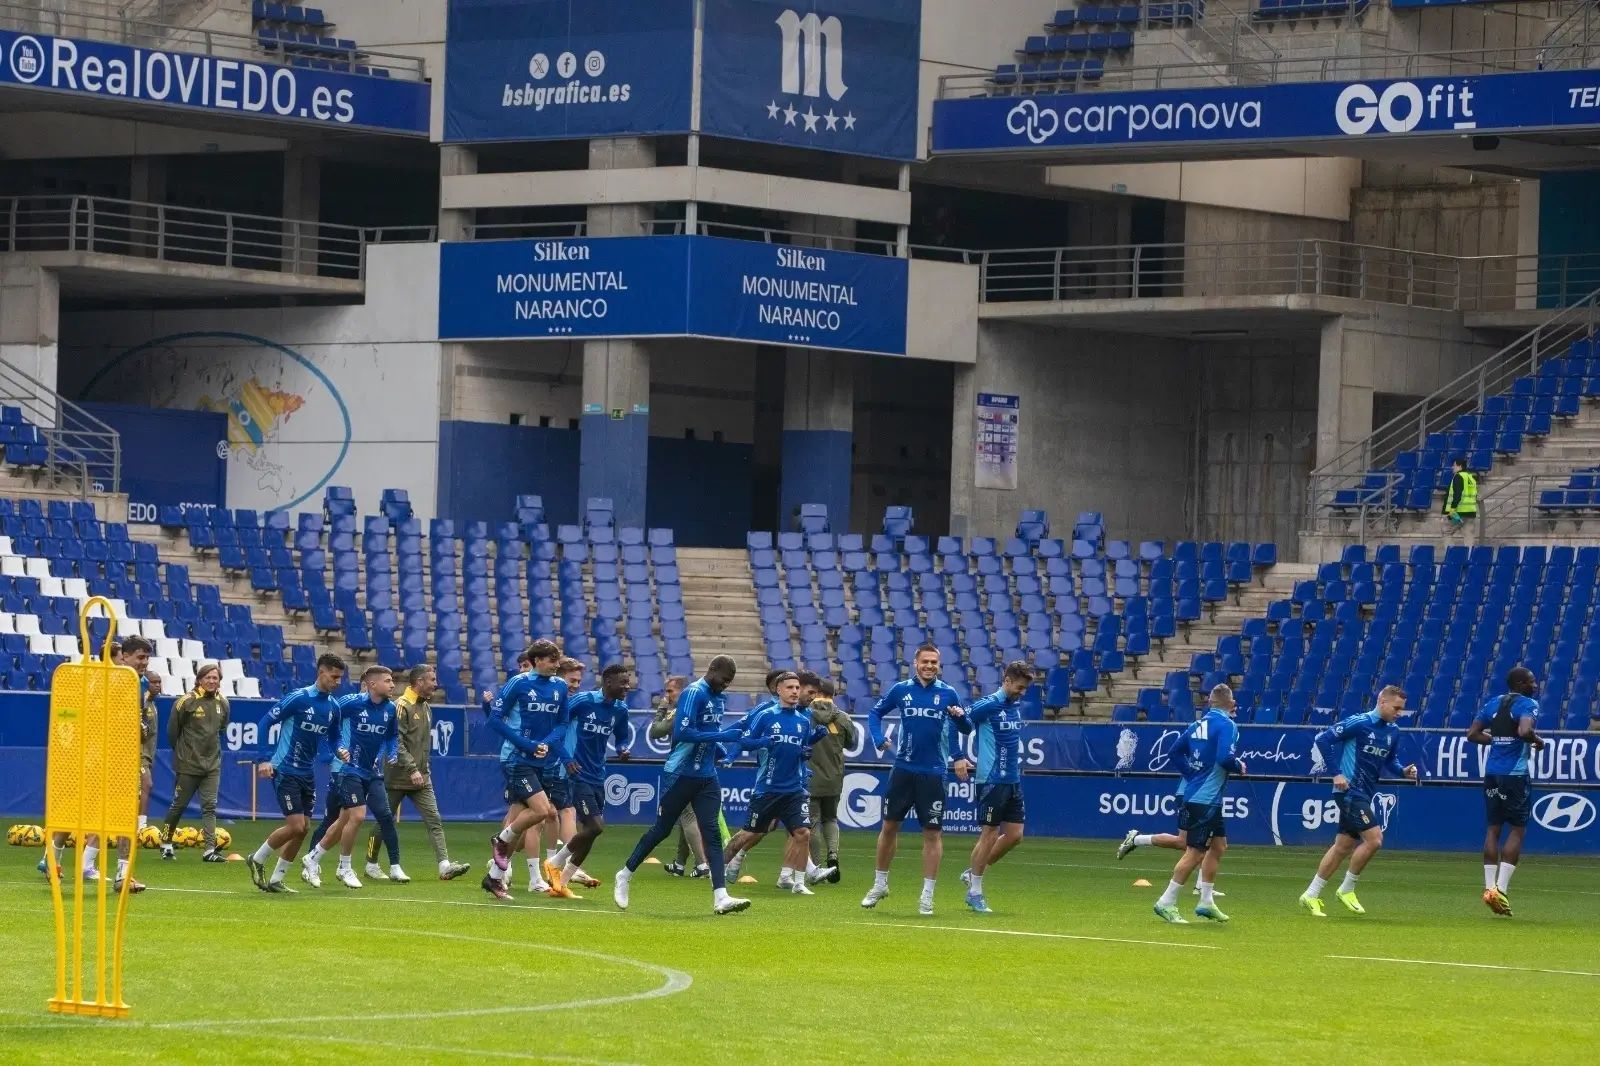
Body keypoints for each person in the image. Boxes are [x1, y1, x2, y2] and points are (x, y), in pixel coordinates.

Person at [614, 655, 751, 915]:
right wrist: (723, 735)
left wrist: (728, 752)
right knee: (661, 830)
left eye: (730, 682)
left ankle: (720, 896)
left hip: (706, 776)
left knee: (710, 831)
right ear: (712, 671)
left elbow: (710, 734)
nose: (726, 686)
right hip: (680, 773)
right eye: (724, 680)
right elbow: (683, 733)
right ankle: (625, 873)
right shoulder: (693, 693)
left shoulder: (719, 698)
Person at [861, 645, 970, 917]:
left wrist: (960, 717)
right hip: (903, 769)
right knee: (889, 827)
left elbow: (966, 728)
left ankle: (927, 895)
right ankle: (880, 884)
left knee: (932, 834)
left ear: (939, 664)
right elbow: (874, 714)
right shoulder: (901, 690)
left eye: (934, 662)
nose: (930, 666)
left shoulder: (948, 693)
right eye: (925, 661)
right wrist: (877, 738)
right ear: (915, 663)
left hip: (933, 773)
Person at [1299, 686, 1418, 917]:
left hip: (1364, 793)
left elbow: (1390, 761)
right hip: (1349, 791)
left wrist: (1403, 771)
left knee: (1342, 846)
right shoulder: (1359, 722)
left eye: (1402, 709)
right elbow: (1323, 739)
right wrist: (1336, 773)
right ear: (1382, 702)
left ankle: (1311, 894)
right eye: (1396, 708)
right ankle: (1347, 888)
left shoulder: (1393, 731)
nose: (1399, 713)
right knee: (1374, 840)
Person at [723, 672, 835, 893]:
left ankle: (799, 882)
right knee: (751, 832)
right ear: (778, 690)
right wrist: (735, 754)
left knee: (802, 833)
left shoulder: (804, 720)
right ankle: (722, 865)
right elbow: (746, 740)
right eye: (791, 688)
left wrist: (810, 746)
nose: (795, 691)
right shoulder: (766, 715)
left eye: (796, 687)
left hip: (794, 789)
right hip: (768, 787)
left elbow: (802, 750)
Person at [248, 654, 346, 893]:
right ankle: (257, 859)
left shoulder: (333, 706)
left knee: (303, 828)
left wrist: (339, 749)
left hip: (307, 772)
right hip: (285, 769)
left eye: (340, 678)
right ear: (321, 672)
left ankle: (276, 879)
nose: (337, 682)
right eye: (334, 676)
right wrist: (263, 759)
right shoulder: (299, 698)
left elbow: (334, 736)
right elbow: (264, 723)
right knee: (295, 825)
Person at [364, 664, 471, 881]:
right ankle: (371, 864)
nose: (435, 684)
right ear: (419, 682)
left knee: (434, 819)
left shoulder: (426, 707)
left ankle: (444, 866)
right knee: (384, 822)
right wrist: (412, 769)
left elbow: (422, 745)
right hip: (397, 776)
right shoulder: (401, 706)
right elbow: (397, 743)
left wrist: (423, 770)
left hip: (422, 777)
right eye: (432, 679)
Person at [301, 668, 406, 886]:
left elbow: (392, 736)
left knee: (344, 820)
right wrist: (334, 749)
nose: (393, 685)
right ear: (372, 684)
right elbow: (329, 721)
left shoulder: (390, 708)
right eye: (388, 681)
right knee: (355, 817)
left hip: (371, 772)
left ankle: (313, 857)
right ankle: (344, 867)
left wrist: (392, 753)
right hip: (348, 769)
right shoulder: (351, 703)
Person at [1153, 685, 1245, 924]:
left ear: (1210, 702)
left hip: (1200, 795)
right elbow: (1225, 758)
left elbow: (1174, 752)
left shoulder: (1197, 725)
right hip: (1204, 799)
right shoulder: (1227, 725)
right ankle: (1166, 902)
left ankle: (1206, 902)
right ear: (1230, 703)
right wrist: (1239, 766)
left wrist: (1191, 774)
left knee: (1219, 846)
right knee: (1194, 852)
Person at [482, 640, 565, 901]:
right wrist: (527, 745)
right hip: (517, 759)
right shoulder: (519, 683)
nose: (556, 665)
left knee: (522, 819)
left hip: (542, 759)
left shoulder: (560, 687)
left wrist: (545, 744)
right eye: (552, 660)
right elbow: (495, 719)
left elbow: (562, 723)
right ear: (537, 660)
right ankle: (501, 841)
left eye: (557, 660)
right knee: (543, 811)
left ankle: (494, 878)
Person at [957, 661, 1035, 914]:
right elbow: (959, 724)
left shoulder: (1014, 707)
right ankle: (975, 892)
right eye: (1019, 687)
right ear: (1007, 681)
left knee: (1015, 835)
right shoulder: (988, 704)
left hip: (1012, 780)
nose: (1022, 693)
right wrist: (958, 756)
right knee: (989, 835)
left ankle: (973, 873)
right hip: (991, 780)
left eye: (1025, 689)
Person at [547, 663, 633, 889]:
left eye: (628, 682)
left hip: (598, 775)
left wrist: (622, 748)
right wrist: (566, 759)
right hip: (578, 775)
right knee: (596, 826)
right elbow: (555, 728)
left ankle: (562, 884)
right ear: (608, 682)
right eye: (623, 682)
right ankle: (554, 862)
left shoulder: (620, 710)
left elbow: (622, 736)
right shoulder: (583, 701)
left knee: (590, 833)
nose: (628, 686)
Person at [1468, 667, 1546, 917]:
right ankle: (1500, 889)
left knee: (1493, 829)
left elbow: (1472, 734)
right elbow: (1524, 731)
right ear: (1521, 684)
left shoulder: (1493, 703)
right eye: (1532, 681)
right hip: (1514, 776)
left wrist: (1496, 740)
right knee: (1517, 829)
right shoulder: (1527, 704)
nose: (1535, 684)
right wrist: (1537, 740)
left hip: (1491, 773)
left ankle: (1489, 887)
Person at [159, 662, 230, 862]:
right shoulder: (186, 702)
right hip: (188, 764)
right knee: (178, 805)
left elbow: (222, 729)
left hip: (212, 765)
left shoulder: (223, 702)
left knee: (210, 806)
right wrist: (184, 754)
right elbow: (173, 732)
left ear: (219, 682)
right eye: (207, 677)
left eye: (215, 678)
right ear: (199, 679)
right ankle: (165, 842)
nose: (211, 681)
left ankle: (209, 850)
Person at [650, 675, 710, 878]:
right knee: (687, 815)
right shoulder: (701, 707)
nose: (666, 696)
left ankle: (702, 865)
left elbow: (655, 732)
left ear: (682, 692)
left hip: (681, 768)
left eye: (670, 691)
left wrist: (661, 709)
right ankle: (680, 863)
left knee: (686, 815)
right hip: (700, 765)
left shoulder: (680, 711)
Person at [805, 677, 854, 882]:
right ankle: (833, 855)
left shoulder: (804, 716)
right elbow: (851, 744)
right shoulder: (842, 718)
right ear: (834, 695)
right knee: (831, 819)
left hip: (809, 776)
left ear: (815, 693)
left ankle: (816, 868)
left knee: (813, 822)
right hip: (834, 777)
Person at [1444, 456, 1478, 538]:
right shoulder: (1471, 477)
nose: (1452, 467)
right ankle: (1469, 551)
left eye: (1454, 465)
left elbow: (1457, 495)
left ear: (1459, 467)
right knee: (1469, 537)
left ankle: (1449, 549)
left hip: (1459, 512)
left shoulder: (1458, 476)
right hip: (1471, 512)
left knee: (1445, 528)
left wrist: (1452, 510)